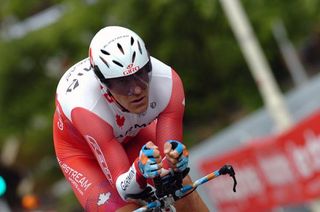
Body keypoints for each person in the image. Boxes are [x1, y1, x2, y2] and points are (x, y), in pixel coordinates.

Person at [53, 26, 208, 211]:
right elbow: (124, 188)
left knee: (181, 189)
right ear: (104, 85)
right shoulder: (87, 106)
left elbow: (168, 166)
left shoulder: (167, 81)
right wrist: (139, 171)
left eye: (141, 75)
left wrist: (174, 163)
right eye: (122, 83)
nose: (136, 90)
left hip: (134, 133)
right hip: (84, 154)